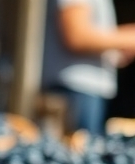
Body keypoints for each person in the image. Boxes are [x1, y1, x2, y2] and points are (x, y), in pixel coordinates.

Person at [43, 0, 135, 133]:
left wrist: (116, 51)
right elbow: (76, 36)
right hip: (76, 90)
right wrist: (128, 38)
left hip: (83, 90)